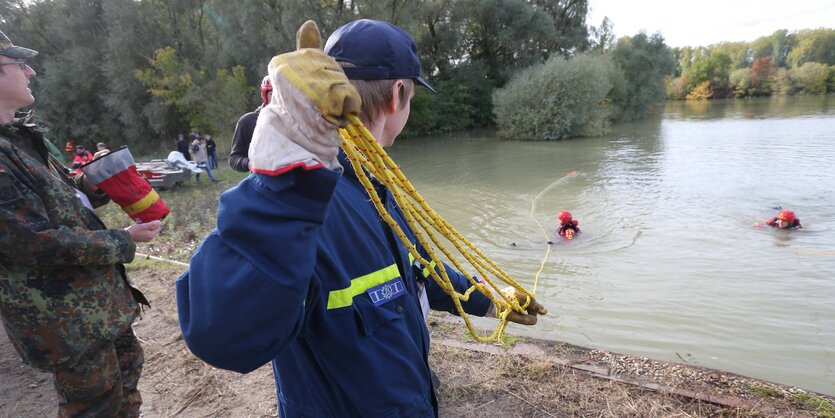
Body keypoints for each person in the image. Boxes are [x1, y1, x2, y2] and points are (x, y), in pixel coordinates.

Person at [176, 20, 546, 418]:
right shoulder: (301, 203)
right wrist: (281, 184)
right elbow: (222, 337)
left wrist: (489, 301)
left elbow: (417, 265)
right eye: (412, 95)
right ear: (398, 94)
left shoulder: (374, 186)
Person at [0, 30, 162, 417]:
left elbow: (65, 197)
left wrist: (97, 181)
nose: (31, 71)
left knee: (125, 390)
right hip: (64, 323)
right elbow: (34, 241)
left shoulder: (21, 138)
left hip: (95, 306)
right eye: (19, 64)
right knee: (94, 407)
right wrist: (123, 240)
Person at [228, 75, 272, 172]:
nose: (277, 97)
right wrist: (248, 163)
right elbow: (234, 158)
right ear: (264, 94)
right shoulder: (248, 121)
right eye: (272, 93)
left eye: (281, 93)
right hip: (261, 180)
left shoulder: (295, 121)